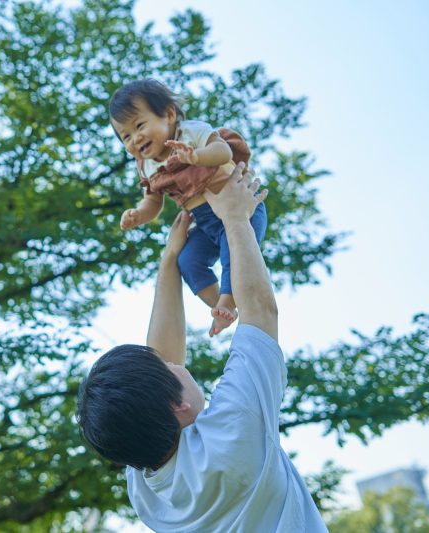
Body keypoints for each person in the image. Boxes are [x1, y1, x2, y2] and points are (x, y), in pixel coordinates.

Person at [77, 163, 328, 532]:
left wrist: (170, 262)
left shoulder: (147, 489)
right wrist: (236, 219)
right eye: (170, 371)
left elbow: (158, 371)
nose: (176, 364)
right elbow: (259, 311)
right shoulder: (235, 427)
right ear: (176, 404)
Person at [110, 79, 267, 336]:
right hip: (205, 223)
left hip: (241, 210)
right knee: (188, 260)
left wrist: (196, 157)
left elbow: (223, 152)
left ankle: (229, 298)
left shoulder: (191, 133)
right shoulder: (146, 165)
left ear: (169, 115)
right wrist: (139, 214)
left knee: (232, 251)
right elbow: (152, 201)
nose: (135, 138)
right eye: (126, 136)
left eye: (139, 125)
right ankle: (220, 306)